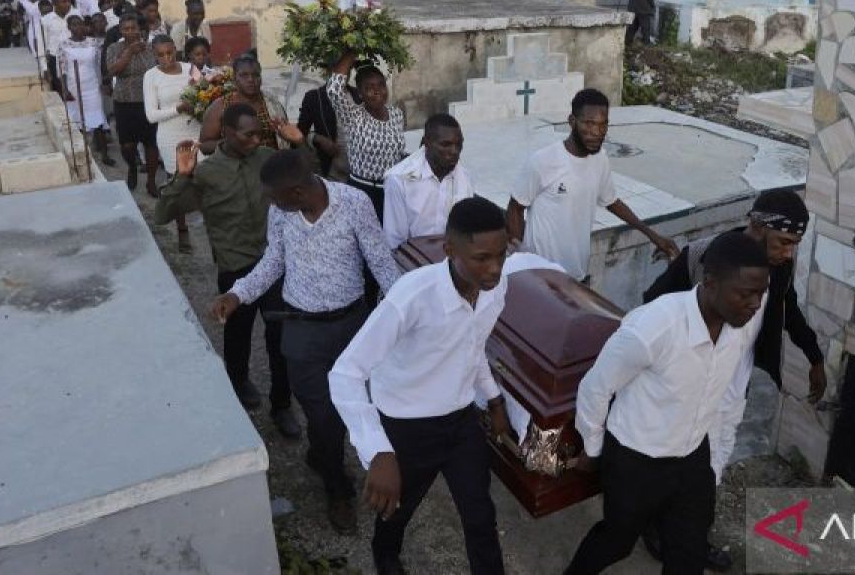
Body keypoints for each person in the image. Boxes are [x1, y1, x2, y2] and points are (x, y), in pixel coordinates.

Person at [330, 197, 559, 575]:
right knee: (398, 508)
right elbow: (345, 373)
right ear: (450, 250)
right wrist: (378, 452)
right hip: (406, 426)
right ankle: (385, 555)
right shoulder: (411, 298)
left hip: (460, 420)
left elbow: (472, 347)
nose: (495, 269)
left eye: (502, 255)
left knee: (480, 516)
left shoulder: (495, 289)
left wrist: (494, 399)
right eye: (482, 258)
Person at [211, 149, 402, 534]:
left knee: (357, 409)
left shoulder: (354, 203)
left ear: (297, 191)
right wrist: (238, 293)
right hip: (302, 332)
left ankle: (322, 456)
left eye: (274, 196)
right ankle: (338, 489)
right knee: (325, 417)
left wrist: (404, 314)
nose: (270, 203)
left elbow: (380, 262)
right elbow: (273, 261)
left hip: (351, 328)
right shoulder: (282, 212)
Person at [638, 188, 826, 570]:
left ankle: (691, 536)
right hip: (688, 389)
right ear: (757, 227)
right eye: (785, 241)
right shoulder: (707, 257)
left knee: (714, 467)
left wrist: (815, 356)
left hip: (731, 391)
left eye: (795, 245)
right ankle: (655, 527)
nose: (789, 252)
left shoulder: (779, 267)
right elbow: (653, 304)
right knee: (675, 464)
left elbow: (787, 309)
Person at [563, 231, 770, 575]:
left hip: (692, 460)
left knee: (687, 556)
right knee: (616, 542)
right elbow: (596, 388)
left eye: (761, 294)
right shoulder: (654, 327)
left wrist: (713, 466)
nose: (755, 304)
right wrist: (594, 448)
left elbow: (725, 400)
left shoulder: (741, 327)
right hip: (636, 460)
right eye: (746, 294)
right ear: (710, 282)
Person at [156, 107, 302, 436]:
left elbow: (307, 179)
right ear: (227, 132)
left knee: (280, 338)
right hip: (235, 268)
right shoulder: (207, 174)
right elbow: (163, 213)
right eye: (247, 134)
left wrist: (299, 144)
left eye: (258, 133)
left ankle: (282, 405)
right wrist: (182, 176)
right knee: (237, 336)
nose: (256, 139)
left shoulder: (266, 158)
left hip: (274, 264)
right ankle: (238, 384)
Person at [506, 89, 678, 284]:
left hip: (576, 276)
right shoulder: (543, 161)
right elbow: (515, 207)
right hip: (539, 277)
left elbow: (612, 201)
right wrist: (521, 260)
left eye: (603, 125)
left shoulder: (600, 159)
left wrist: (653, 235)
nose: (596, 132)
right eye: (589, 124)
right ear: (572, 121)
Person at [327, 50, 406, 221]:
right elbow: (333, 89)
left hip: (391, 191)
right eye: (369, 88)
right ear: (360, 93)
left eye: (381, 85)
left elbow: (397, 154)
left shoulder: (397, 114)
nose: (377, 91)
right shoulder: (354, 116)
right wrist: (351, 51)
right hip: (361, 191)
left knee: (390, 240)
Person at [383, 113, 473, 249]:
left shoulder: (464, 177)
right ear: (427, 143)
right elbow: (395, 243)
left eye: (459, 145)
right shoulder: (399, 180)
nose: (454, 151)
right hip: (413, 263)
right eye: (446, 145)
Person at [144, 35, 197, 251]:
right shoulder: (151, 76)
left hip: (195, 130)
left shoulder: (190, 69)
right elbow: (151, 115)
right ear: (154, 55)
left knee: (205, 181)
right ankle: (182, 230)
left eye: (170, 52)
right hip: (169, 137)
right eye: (161, 55)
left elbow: (204, 94)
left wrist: (198, 105)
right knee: (178, 184)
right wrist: (178, 108)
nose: (167, 58)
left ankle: (214, 229)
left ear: (176, 49)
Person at [105, 14, 160, 196]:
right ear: (121, 31)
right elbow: (113, 71)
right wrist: (129, 52)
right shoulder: (114, 48)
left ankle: (151, 181)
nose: (130, 32)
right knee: (127, 145)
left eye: (133, 28)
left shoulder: (151, 48)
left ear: (140, 29)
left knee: (151, 144)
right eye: (126, 29)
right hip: (125, 102)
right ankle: (132, 168)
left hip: (149, 102)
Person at [199, 55, 291, 155]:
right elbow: (204, 146)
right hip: (234, 167)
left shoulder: (272, 104)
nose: (251, 80)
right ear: (234, 78)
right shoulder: (220, 106)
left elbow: (287, 136)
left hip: (271, 164)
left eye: (256, 75)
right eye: (244, 75)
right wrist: (233, 142)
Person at [59, 13, 114, 166]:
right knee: (78, 122)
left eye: (80, 24)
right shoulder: (64, 45)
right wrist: (64, 89)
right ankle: (83, 154)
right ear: (69, 27)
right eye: (74, 24)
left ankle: (104, 155)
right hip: (74, 86)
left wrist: (104, 82)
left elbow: (100, 65)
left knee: (98, 121)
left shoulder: (93, 43)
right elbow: (62, 69)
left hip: (92, 86)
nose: (78, 27)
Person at [297, 72, 356, 180]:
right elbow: (300, 134)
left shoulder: (358, 94)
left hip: (360, 174)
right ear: (329, 70)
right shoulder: (315, 97)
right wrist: (317, 138)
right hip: (333, 173)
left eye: (348, 69)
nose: (343, 75)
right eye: (339, 70)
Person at [41, 0, 79, 91]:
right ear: (55, 4)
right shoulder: (46, 20)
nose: (68, 4)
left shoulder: (76, 15)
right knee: (60, 89)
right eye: (63, 2)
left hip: (73, 56)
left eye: (69, 1)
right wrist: (44, 67)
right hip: (55, 58)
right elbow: (43, 44)